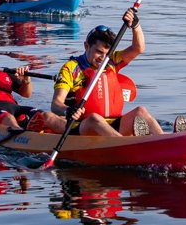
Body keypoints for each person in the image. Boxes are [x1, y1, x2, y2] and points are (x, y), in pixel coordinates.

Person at [51, 9, 177, 137]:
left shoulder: (111, 61)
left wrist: (135, 26)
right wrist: (68, 110)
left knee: (141, 111)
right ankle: (123, 145)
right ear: (86, 46)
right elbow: (56, 104)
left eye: (107, 54)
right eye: (99, 52)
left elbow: (138, 48)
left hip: (112, 124)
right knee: (95, 118)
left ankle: (165, 140)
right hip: (82, 125)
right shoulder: (71, 68)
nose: (103, 58)